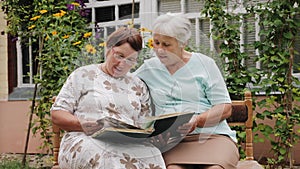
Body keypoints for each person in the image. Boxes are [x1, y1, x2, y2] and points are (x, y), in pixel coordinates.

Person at [51, 27, 166, 169]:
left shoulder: (138, 85)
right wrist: (84, 124)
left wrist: (153, 133)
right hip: (85, 139)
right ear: (108, 48)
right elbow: (57, 114)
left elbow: (144, 124)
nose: (122, 64)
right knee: (109, 157)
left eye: (130, 60)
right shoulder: (82, 75)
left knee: (152, 155)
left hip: (126, 144)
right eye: (119, 56)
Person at [135, 13, 239, 169]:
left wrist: (197, 120)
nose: (160, 50)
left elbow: (225, 108)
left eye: (167, 44)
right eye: (156, 43)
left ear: (183, 43)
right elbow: (122, 87)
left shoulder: (205, 64)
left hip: (213, 137)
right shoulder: (149, 68)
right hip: (173, 142)